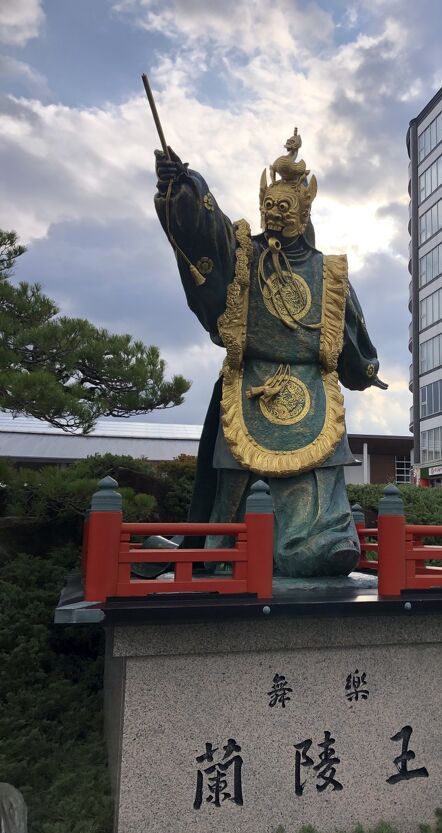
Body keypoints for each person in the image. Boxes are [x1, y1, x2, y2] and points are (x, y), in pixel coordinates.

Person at [154, 130, 386, 577]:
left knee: (320, 476)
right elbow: (207, 232)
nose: (275, 215)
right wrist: (183, 187)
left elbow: (351, 333)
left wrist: (364, 368)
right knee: (237, 478)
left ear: (304, 212)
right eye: (270, 207)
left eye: (286, 208)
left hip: (313, 393)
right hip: (251, 383)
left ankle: (325, 542)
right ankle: (226, 553)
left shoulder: (329, 273)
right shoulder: (243, 254)